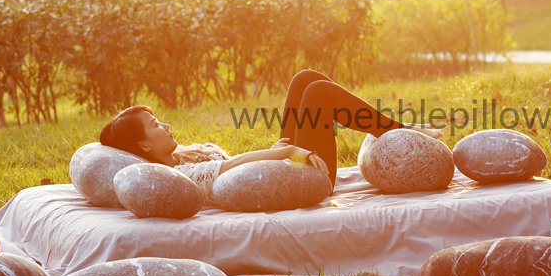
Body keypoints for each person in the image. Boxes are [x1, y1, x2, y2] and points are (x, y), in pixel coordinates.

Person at [98, 68, 442, 198]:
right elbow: (236, 166)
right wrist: (288, 152)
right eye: (156, 126)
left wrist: (279, 148)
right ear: (143, 143)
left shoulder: (180, 153)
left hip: (281, 164)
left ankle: (394, 129)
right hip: (304, 176)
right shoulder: (180, 176)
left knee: (304, 79)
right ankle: (399, 131)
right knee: (320, 93)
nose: (167, 125)